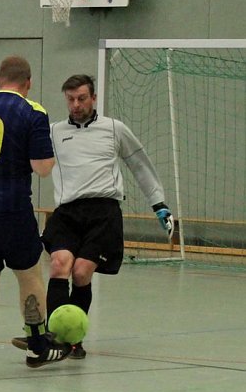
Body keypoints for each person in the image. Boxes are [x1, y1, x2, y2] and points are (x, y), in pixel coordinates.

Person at [12, 74, 173, 358]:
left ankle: (74, 338)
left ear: (94, 98)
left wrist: (158, 202)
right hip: (67, 212)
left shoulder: (114, 129)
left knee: (81, 271)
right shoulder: (53, 132)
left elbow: (139, 164)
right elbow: (24, 161)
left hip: (103, 212)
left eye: (82, 98)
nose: (76, 105)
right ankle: (53, 336)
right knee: (59, 264)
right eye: (71, 99)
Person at [0, 55, 71, 378]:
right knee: (28, 274)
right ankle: (37, 346)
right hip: (10, 211)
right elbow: (42, 168)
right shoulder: (33, 112)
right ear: (28, 83)